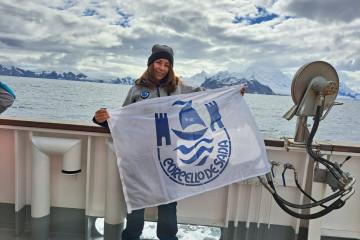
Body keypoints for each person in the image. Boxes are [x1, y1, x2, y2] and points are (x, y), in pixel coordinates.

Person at [93, 44, 245, 240]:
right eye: (158, 62)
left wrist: (232, 94)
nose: (162, 68)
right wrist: (101, 120)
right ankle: (131, 237)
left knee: (168, 203)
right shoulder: (137, 90)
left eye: (166, 64)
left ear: (171, 67)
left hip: (170, 155)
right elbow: (123, 121)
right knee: (137, 202)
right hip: (140, 155)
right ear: (151, 64)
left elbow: (209, 97)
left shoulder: (180, 88)